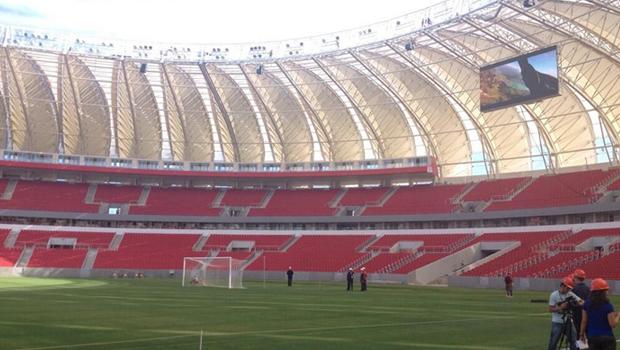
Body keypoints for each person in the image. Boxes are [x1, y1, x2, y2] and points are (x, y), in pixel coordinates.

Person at [580, 278, 620, 350]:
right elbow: (613, 324)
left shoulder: (586, 304)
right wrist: (618, 316)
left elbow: (584, 321)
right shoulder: (607, 305)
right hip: (607, 338)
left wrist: (581, 334)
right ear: (603, 292)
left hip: (592, 338)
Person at [548, 276, 584, 350]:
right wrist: (560, 308)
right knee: (553, 341)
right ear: (563, 286)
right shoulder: (554, 295)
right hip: (557, 322)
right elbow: (550, 309)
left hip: (568, 321)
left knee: (573, 340)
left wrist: (577, 303)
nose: (569, 290)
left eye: (570, 288)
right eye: (568, 288)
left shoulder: (570, 294)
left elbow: (581, 301)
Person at [572, 269, 590, 338]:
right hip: (587, 314)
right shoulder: (588, 289)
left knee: (577, 336)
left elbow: (572, 304)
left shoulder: (574, 289)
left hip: (577, 315)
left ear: (575, 277)